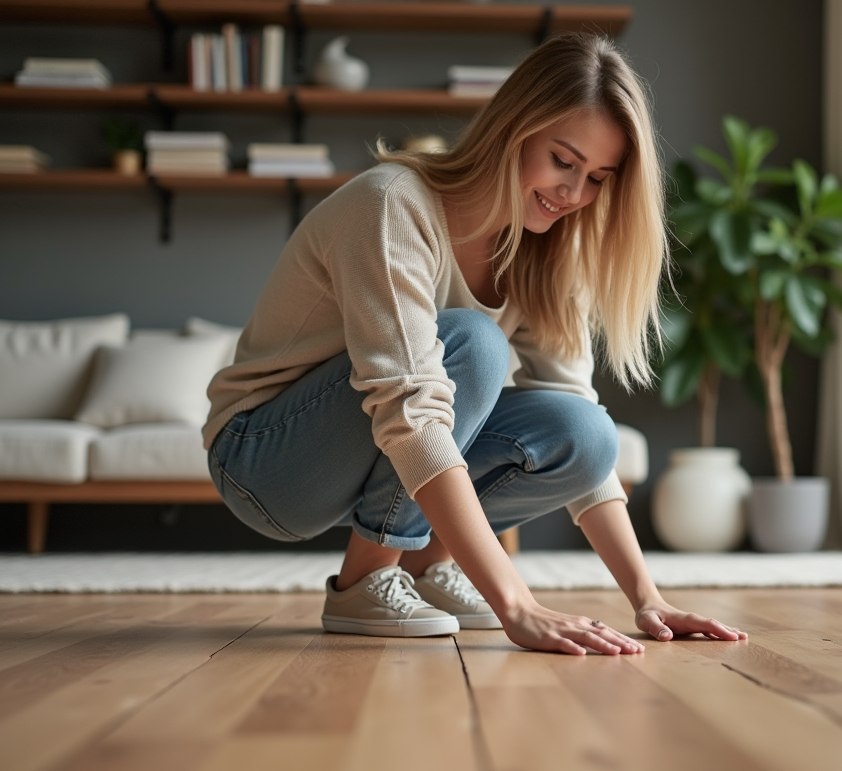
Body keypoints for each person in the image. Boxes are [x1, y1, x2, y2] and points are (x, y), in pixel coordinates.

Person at [202, 32, 746, 655]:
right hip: (264, 461)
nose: (573, 194)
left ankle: (430, 568)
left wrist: (648, 599)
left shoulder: (549, 251)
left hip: (374, 450)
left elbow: (577, 429)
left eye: (597, 178)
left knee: (586, 433)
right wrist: (516, 603)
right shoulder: (392, 207)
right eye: (563, 161)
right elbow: (409, 408)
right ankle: (364, 580)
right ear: (514, 129)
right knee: (474, 346)